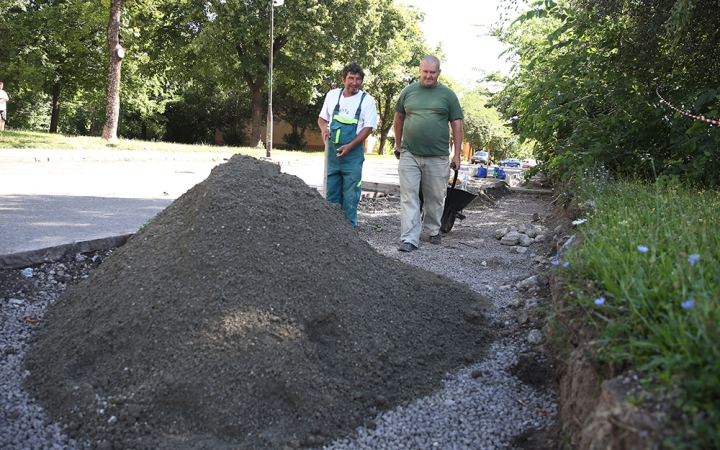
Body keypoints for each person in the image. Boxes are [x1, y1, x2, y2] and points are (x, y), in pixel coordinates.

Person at [393, 55, 464, 252]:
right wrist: (398, 146)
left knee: (435, 197)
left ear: (439, 72)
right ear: (419, 70)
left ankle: (433, 228)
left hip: (438, 155)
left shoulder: (448, 95)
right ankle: (409, 238)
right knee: (409, 196)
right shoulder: (408, 92)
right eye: (425, 71)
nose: (428, 75)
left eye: (433, 72)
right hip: (410, 153)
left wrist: (457, 155)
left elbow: (457, 125)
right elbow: (398, 118)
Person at [318, 62, 378, 227]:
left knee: (351, 194)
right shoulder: (332, 96)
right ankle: (331, 227)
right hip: (332, 155)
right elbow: (322, 119)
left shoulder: (367, 101)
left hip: (352, 156)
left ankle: (349, 230)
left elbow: (368, 128)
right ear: (343, 79)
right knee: (331, 193)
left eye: (358, 79)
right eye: (351, 78)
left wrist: (350, 146)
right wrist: (324, 129)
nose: (355, 82)